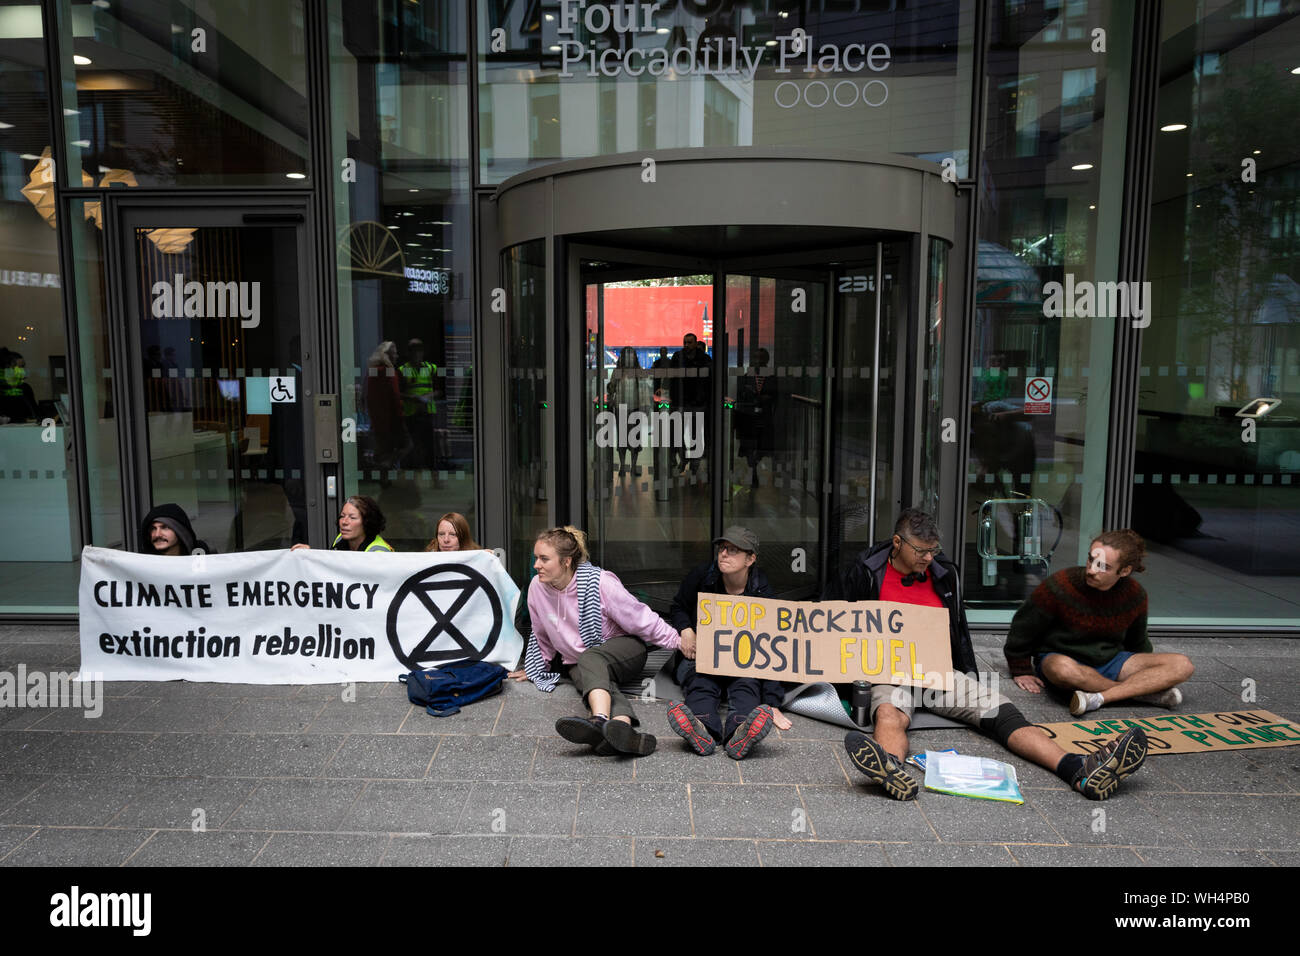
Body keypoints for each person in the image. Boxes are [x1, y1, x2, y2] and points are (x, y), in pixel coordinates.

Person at [829, 508, 1148, 801]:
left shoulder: (944, 573)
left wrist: (966, 673)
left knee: (1004, 714)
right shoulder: (865, 571)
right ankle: (890, 769)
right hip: (887, 670)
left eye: (933, 549)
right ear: (897, 543)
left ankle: (1078, 769)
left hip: (936, 669)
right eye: (921, 551)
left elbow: (959, 631)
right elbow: (834, 623)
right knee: (889, 714)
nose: (929, 557)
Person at [509, 526, 680, 756]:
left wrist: (677, 641)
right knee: (595, 685)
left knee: (590, 658)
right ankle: (622, 731)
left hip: (624, 649)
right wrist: (538, 667)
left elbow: (640, 618)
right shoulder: (536, 588)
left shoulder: (599, 582)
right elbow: (541, 633)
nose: (536, 565)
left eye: (544, 559)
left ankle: (598, 721)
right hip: (578, 660)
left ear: (566, 561)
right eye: (536, 558)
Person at [1005, 529, 1194, 716]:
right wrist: (1020, 669)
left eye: (1103, 566)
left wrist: (1149, 674)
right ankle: (1140, 694)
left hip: (1111, 661)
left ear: (1125, 570)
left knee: (1182, 665)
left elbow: (1137, 642)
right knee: (1062, 669)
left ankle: (1102, 697)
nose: (1091, 570)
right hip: (1064, 659)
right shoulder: (1061, 585)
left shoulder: (1135, 595)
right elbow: (1024, 627)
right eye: (1090, 559)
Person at [665, 526, 793, 759]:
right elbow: (678, 607)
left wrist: (772, 702)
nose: (724, 554)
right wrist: (686, 629)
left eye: (734, 550)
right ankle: (702, 729)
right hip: (703, 656)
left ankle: (740, 733)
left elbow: (772, 645)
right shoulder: (702, 576)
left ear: (750, 559)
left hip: (742, 661)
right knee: (700, 683)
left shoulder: (762, 591)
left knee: (746, 684)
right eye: (723, 548)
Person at [292, 495, 392, 552]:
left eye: (352, 518)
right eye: (342, 516)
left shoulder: (378, 552)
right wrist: (309, 555)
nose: (344, 522)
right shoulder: (341, 538)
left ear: (367, 522)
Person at [670, 332, 710, 473]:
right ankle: (684, 457)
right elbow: (671, 377)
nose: (686, 345)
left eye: (689, 342)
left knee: (696, 433)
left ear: (695, 343)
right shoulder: (677, 357)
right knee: (676, 433)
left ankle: (694, 461)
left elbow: (708, 381)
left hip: (697, 402)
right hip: (680, 400)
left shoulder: (704, 359)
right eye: (684, 342)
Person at [398, 338, 439, 470]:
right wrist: (412, 398)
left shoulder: (431, 368)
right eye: (413, 351)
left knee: (429, 446)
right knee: (411, 446)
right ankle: (410, 475)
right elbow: (398, 393)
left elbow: (440, 390)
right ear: (408, 353)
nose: (417, 354)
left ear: (422, 352)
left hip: (426, 412)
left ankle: (433, 474)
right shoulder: (403, 370)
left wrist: (429, 396)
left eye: (419, 351)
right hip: (411, 414)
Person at [607, 346, 648, 477]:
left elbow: (644, 390)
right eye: (626, 355)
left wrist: (645, 406)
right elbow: (611, 388)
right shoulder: (618, 372)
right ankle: (623, 466)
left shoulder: (638, 372)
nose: (629, 358)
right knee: (622, 438)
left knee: (635, 439)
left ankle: (634, 466)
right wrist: (611, 387)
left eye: (631, 355)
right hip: (621, 408)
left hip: (635, 408)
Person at [139, 503, 211, 556]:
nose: (157, 534)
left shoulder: (204, 557)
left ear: (181, 532)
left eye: (165, 527)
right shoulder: (143, 562)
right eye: (153, 529)